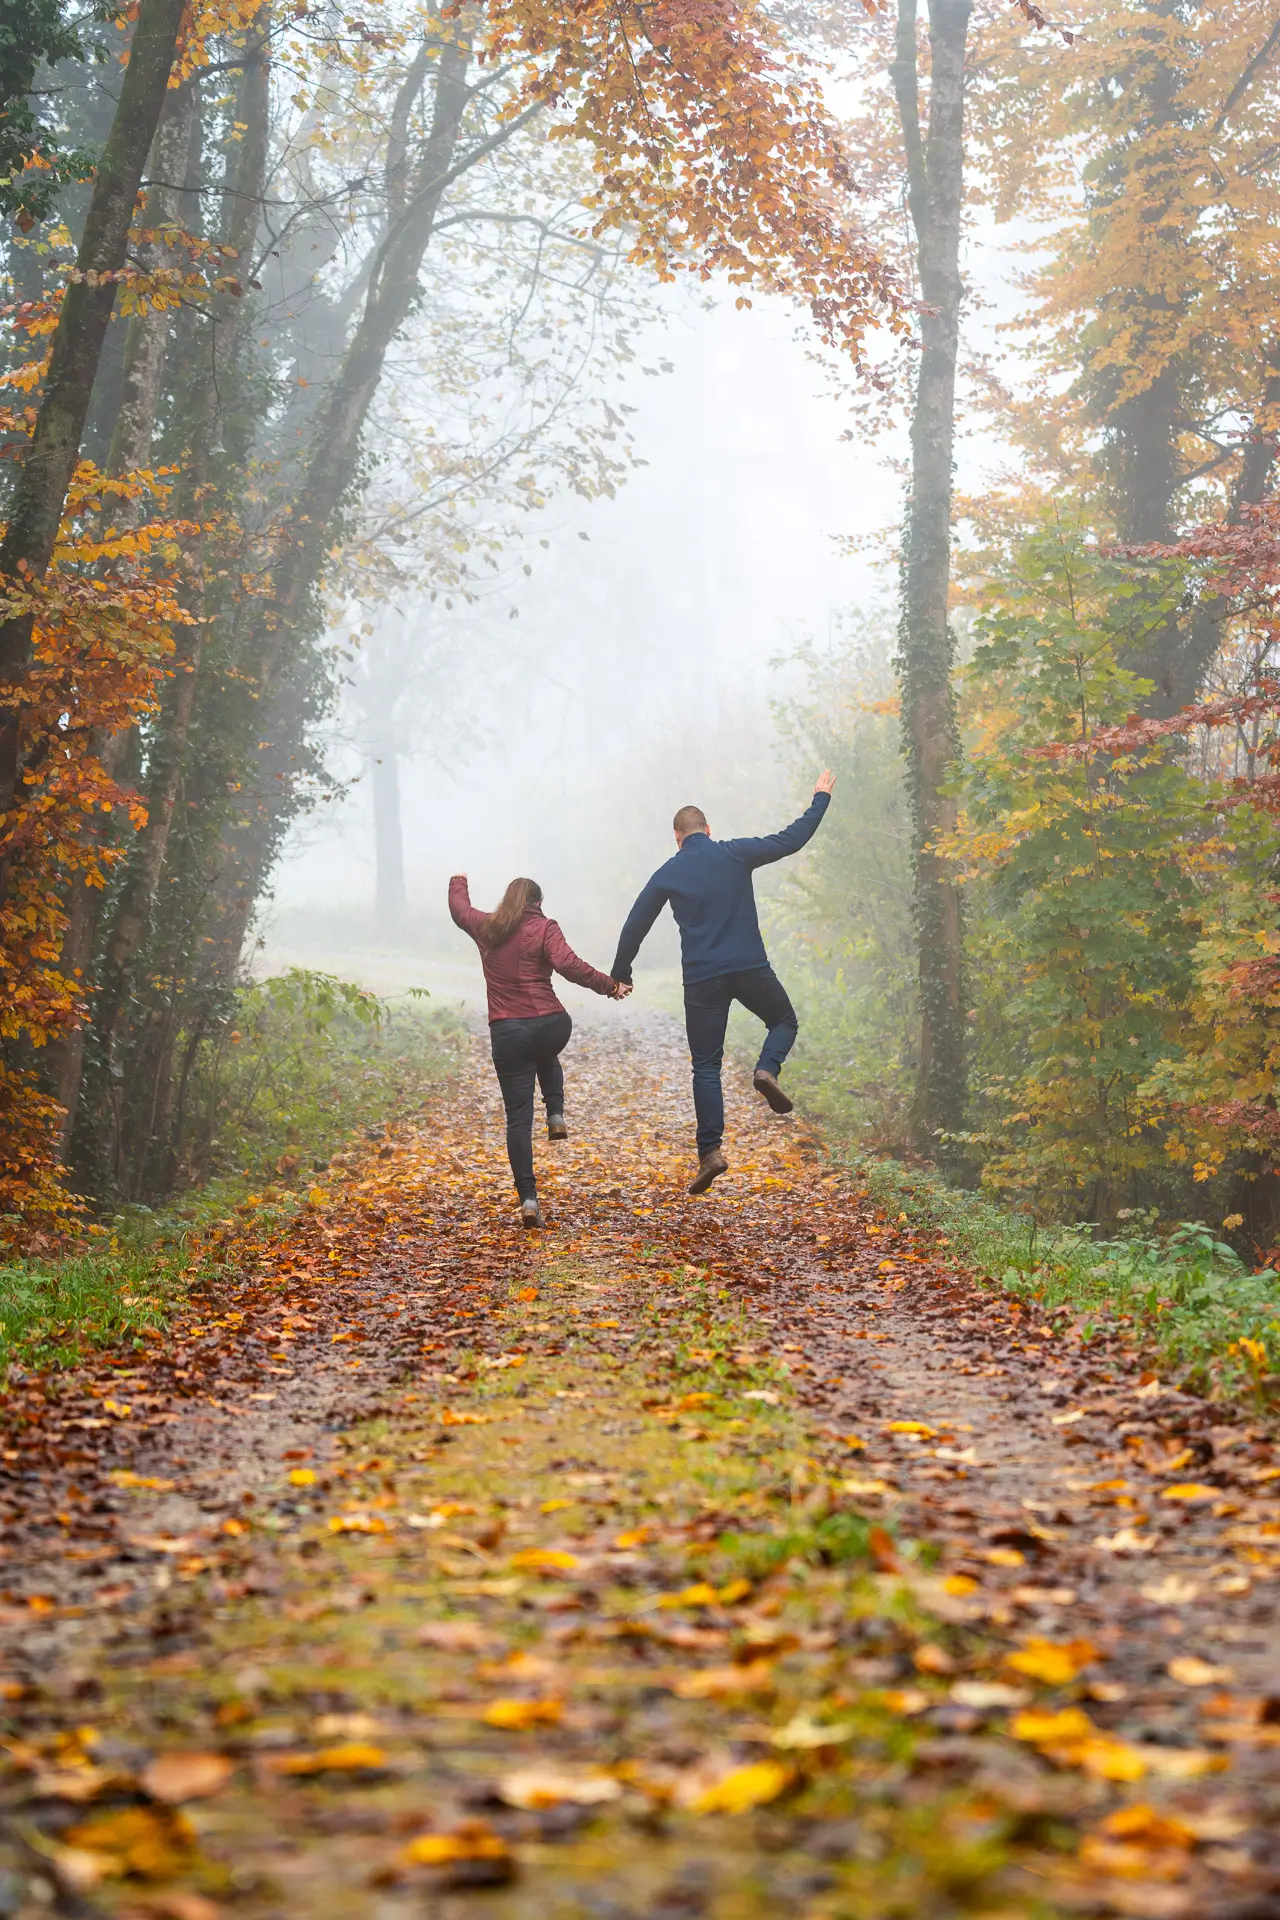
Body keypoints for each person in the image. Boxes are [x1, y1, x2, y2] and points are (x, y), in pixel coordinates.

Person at [610, 772, 835, 1194]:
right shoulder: (734, 853)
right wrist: (820, 797)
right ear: (708, 830)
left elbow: (635, 925)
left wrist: (622, 972)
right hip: (750, 968)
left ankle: (710, 1152)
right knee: (783, 1020)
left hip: (701, 981)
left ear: (677, 837)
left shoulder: (668, 872)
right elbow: (791, 839)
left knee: (706, 1067)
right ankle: (767, 1068)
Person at [449, 874, 629, 1228]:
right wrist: (610, 986)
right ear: (537, 902)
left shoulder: (487, 927)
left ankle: (528, 1199)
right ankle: (556, 1112)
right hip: (551, 1024)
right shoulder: (545, 927)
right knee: (544, 1047)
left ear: (508, 899)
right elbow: (569, 965)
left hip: (507, 1032)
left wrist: (459, 880)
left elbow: (459, 909)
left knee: (517, 1119)